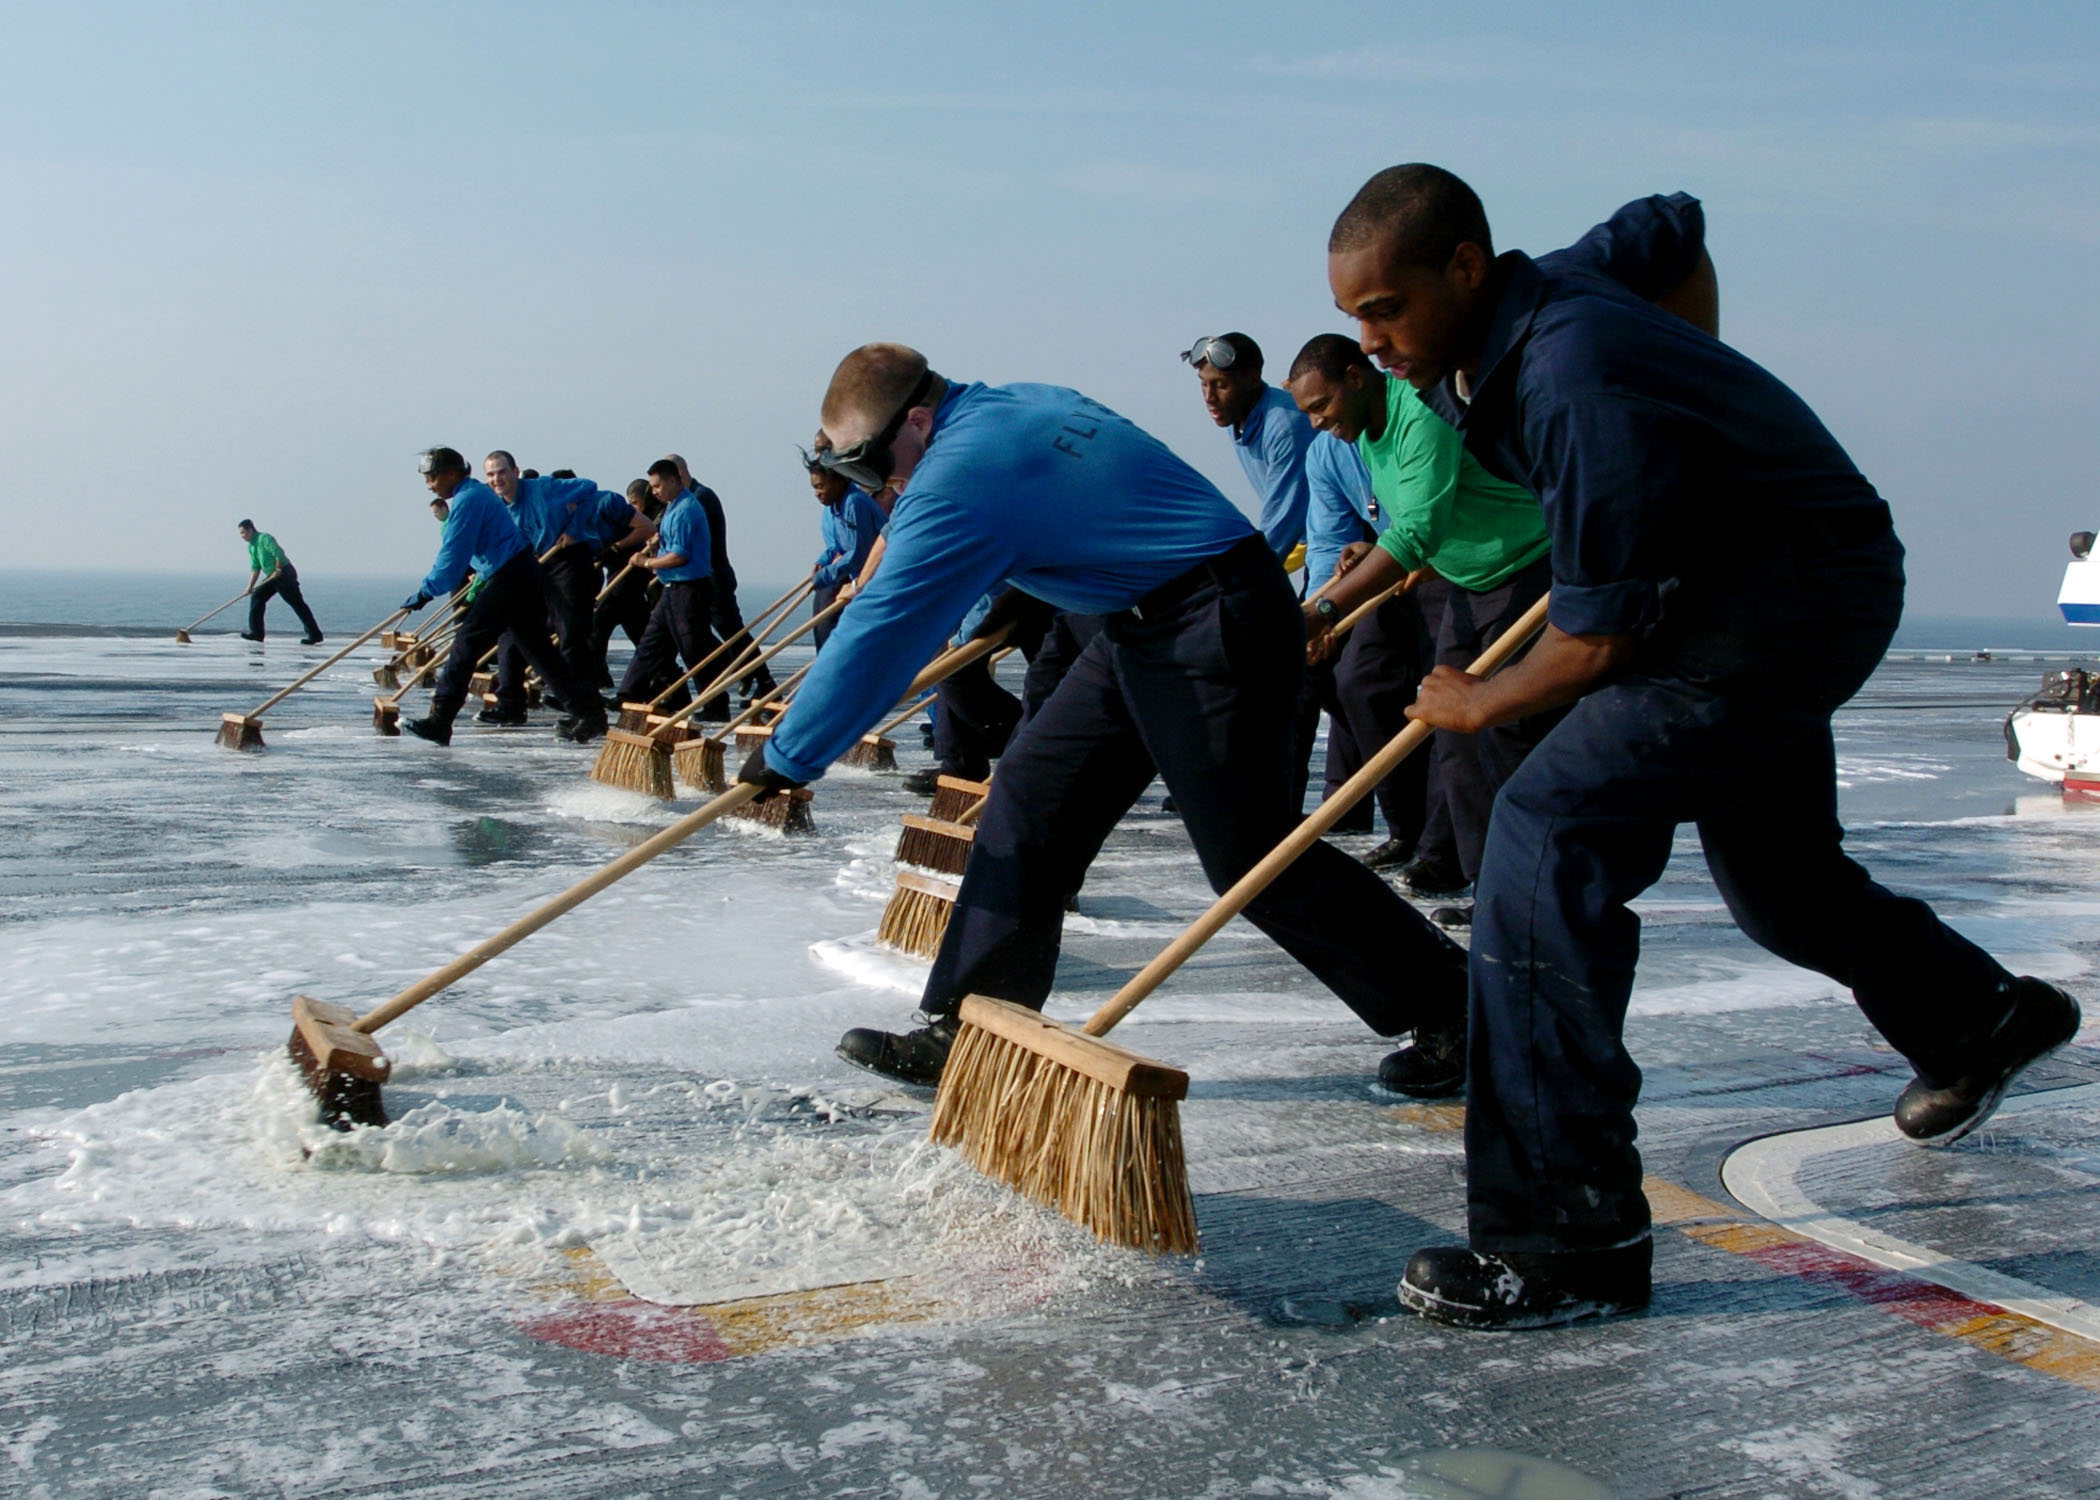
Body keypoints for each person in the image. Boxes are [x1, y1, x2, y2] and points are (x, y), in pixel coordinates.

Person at [1328, 165, 2080, 1330]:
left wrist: (1475, 700)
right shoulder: (1560, 295)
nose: (1370, 341)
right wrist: (1694, 384)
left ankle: (1566, 1242)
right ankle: (1975, 1019)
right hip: (1776, 579)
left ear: (1464, 268)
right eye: (1354, 318)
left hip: (1771, 602)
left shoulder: (1574, 373)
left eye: (1386, 310)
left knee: (1544, 828)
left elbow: (1595, 641)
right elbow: (1673, 226)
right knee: (1776, 878)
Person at [737, 343, 1470, 1089]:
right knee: (1030, 791)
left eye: (867, 465)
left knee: (1255, 862)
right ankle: (971, 1028)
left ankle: (1460, 1004)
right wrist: (1026, 574)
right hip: (1138, 619)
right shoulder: (1020, 399)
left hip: (1215, 619)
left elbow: (886, 630)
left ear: (918, 420)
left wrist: (791, 754)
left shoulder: (960, 472)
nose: (871, 486)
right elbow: (1084, 506)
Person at [1290, 334, 1556, 927]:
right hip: (1466, 578)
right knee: (1453, 732)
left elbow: (1414, 534)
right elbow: (1406, 522)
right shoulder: (1366, 436)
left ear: (1358, 378)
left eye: (1321, 405)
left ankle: (1530, 898)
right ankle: (1492, 893)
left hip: (1524, 567)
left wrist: (1321, 611)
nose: (1315, 422)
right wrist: (1366, 551)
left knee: (1506, 732)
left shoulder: (1419, 415)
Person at [399, 448, 606, 747]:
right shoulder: (474, 495)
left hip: (513, 576)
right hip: (519, 572)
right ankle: (588, 712)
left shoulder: (468, 501)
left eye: (432, 477)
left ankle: (441, 719)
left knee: (467, 642)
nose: (429, 485)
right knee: (538, 651)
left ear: (452, 474)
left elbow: (452, 556)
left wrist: (425, 591)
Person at [667, 453, 772, 712]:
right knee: (707, 632)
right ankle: (742, 669)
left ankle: (763, 679)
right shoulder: (685, 500)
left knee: (731, 630)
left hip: (714, 575)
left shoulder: (700, 498)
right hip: (701, 576)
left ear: (679, 475)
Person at [615, 459, 723, 709]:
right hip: (671, 589)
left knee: (692, 647)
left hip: (690, 587)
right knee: (651, 641)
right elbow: (670, 544)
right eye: (652, 487)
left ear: (673, 480)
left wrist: (646, 563)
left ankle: (715, 704)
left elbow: (680, 556)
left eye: (657, 486)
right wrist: (657, 542)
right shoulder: (672, 507)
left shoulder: (687, 509)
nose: (654, 492)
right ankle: (628, 694)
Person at [807, 439, 886, 648]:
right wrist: (824, 561)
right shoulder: (835, 506)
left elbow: (859, 554)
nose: (817, 493)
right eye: (814, 488)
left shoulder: (855, 503)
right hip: (858, 578)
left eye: (821, 487)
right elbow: (839, 546)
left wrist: (825, 576)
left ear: (839, 480)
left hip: (877, 579)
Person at [593, 479, 662, 692]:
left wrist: (614, 549)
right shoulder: (623, 518)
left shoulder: (654, 518)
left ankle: (592, 679)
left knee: (597, 624)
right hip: (621, 576)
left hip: (631, 577)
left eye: (636, 503)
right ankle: (665, 680)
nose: (633, 509)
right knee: (642, 635)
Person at [235, 520, 323, 644]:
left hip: (284, 573)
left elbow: (278, 554)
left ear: (250, 530)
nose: (242, 536)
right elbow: (255, 567)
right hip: (272, 576)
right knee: (257, 597)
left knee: (296, 603)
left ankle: (315, 635)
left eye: (243, 533)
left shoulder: (264, 538)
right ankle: (257, 633)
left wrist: (278, 569)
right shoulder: (252, 546)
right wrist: (250, 587)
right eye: (240, 534)